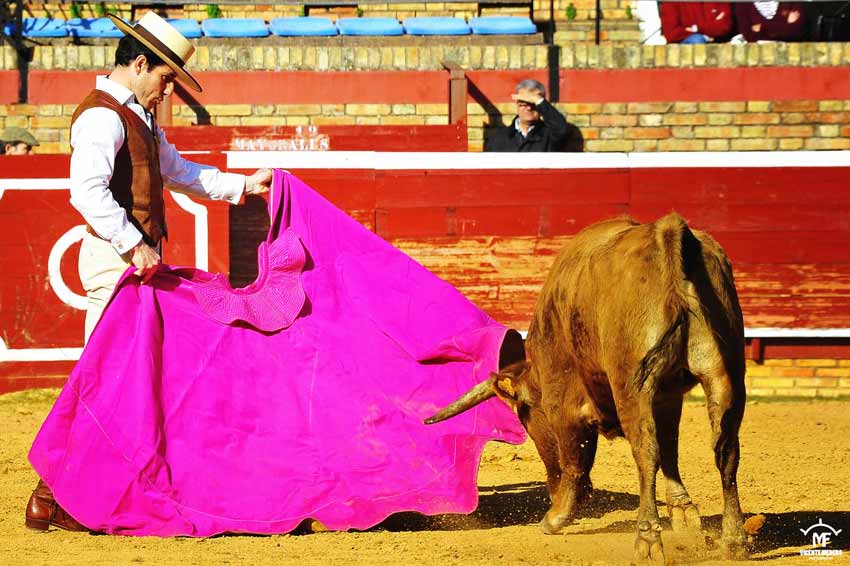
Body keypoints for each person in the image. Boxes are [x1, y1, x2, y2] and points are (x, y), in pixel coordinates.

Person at [25, 11, 271, 532]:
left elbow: (180, 173)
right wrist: (134, 244)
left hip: (132, 264)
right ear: (140, 63)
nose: (167, 91)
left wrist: (244, 186)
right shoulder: (101, 116)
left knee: (124, 377)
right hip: (115, 264)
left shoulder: (137, 115)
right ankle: (51, 494)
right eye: (165, 79)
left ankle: (56, 497)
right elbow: (86, 193)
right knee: (105, 379)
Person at [484, 79, 583, 152]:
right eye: (524, 102)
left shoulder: (549, 134)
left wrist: (538, 100)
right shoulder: (499, 138)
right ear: (517, 103)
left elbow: (561, 128)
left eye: (533, 103)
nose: (529, 108)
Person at [660, 2, 733, 44]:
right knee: (697, 40)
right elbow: (671, 34)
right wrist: (706, 36)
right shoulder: (671, 2)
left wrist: (696, 29)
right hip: (684, 48)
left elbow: (725, 26)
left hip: (719, 41)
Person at [734, 1, 806, 42]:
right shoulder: (742, 3)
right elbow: (748, 34)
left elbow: (795, 30)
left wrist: (762, 27)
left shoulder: (790, 2)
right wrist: (783, 25)